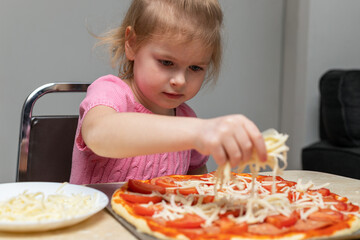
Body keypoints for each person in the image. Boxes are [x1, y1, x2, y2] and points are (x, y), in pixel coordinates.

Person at [70, 0, 267, 185]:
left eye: (195, 68)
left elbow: (197, 185)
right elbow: (99, 134)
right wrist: (198, 131)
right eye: (166, 63)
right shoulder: (110, 92)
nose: (180, 81)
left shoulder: (187, 118)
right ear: (131, 43)